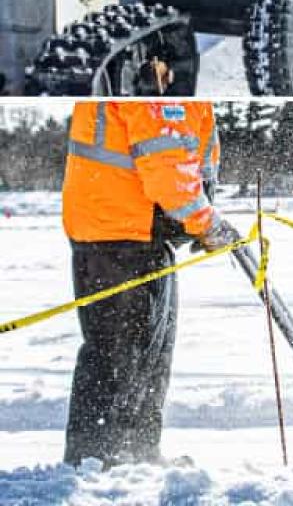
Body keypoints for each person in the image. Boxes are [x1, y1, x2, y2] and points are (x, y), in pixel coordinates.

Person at [62, 101, 239, 468]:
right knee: (119, 355)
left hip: (133, 231)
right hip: (122, 233)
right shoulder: (161, 93)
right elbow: (167, 168)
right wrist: (205, 222)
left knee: (149, 355)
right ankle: (99, 457)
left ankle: (139, 452)